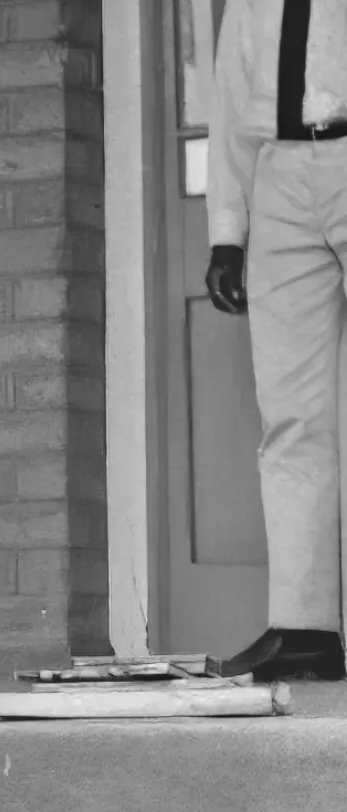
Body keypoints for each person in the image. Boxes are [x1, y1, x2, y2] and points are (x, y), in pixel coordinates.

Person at [207, 0, 347, 682]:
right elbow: (232, 99)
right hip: (279, 173)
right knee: (290, 412)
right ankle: (306, 628)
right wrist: (227, 234)